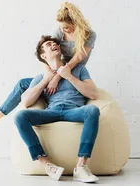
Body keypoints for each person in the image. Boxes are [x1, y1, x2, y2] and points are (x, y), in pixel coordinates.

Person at [0, 2, 97, 131]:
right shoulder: (60, 31)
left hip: (73, 73)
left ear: (76, 22)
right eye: (61, 27)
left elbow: (76, 60)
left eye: (66, 27)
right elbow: (46, 55)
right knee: (22, 84)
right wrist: (48, 76)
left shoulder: (89, 35)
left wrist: (56, 78)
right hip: (56, 71)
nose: (63, 30)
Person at [14, 35, 100, 182]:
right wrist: (46, 80)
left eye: (55, 43)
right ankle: (47, 164)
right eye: (48, 44)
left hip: (74, 110)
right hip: (51, 112)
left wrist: (69, 76)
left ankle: (80, 166)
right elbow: (26, 101)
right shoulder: (41, 76)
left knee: (93, 111)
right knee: (20, 116)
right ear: (43, 55)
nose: (54, 44)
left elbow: (92, 93)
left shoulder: (79, 70)